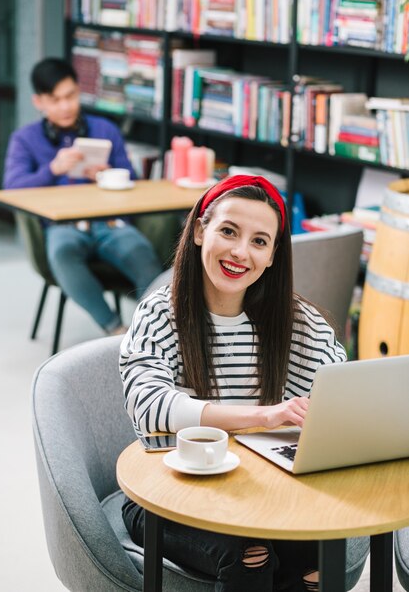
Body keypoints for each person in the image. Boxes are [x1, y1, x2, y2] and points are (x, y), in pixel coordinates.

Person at [119, 175, 351, 591]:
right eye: (228, 231)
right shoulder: (159, 313)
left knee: (316, 547)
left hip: (258, 491)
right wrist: (262, 415)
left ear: (273, 256)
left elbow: (340, 396)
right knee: (249, 553)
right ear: (198, 230)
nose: (241, 252)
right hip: (167, 494)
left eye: (260, 241)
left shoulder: (296, 321)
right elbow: (148, 406)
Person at [4, 57, 163, 334]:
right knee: (63, 253)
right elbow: (13, 189)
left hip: (111, 222)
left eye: (70, 96)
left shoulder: (105, 129)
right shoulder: (25, 139)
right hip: (62, 226)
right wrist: (52, 169)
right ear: (38, 102)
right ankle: (115, 330)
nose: (65, 106)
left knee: (141, 252)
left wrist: (107, 174)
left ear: (79, 91)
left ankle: (153, 329)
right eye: (55, 100)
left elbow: (134, 181)